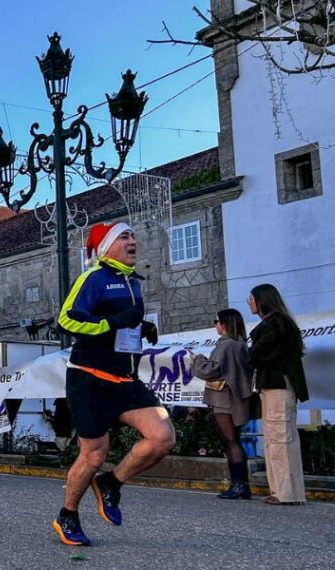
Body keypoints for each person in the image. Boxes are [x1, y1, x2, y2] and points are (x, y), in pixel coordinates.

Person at [52, 222, 172, 547]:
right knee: (93, 454)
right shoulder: (94, 278)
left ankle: (111, 483)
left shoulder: (133, 281)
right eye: (124, 237)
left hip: (125, 379)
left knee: (162, 438)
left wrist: (141, 329)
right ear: (106, 246)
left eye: (133, 236)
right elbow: (66, 319)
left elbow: (122, 323)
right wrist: (110, 323)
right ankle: (68, 514)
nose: (133, 241)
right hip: (89, 378)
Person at [248, 283, 309, 506]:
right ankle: (279, 490)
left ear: (263, 300)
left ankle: (288, 493)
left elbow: (257, 353)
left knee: (281, 439)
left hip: (278, 386)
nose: (249, 303)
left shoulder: (277, 325)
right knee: (274, 439)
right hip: (271, 385)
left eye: (252, 299)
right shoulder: (273, 323)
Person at [191, 309, 254, 500]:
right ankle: (240, 484)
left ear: (225, 324)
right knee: (234, 440)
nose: (215, 325)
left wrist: (198, 360)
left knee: (230, 441)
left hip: (224, 399)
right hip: (235, 398)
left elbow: (212, 370)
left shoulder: (226, 346)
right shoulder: (240, 344)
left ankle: (239, 484)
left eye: (216, 321)